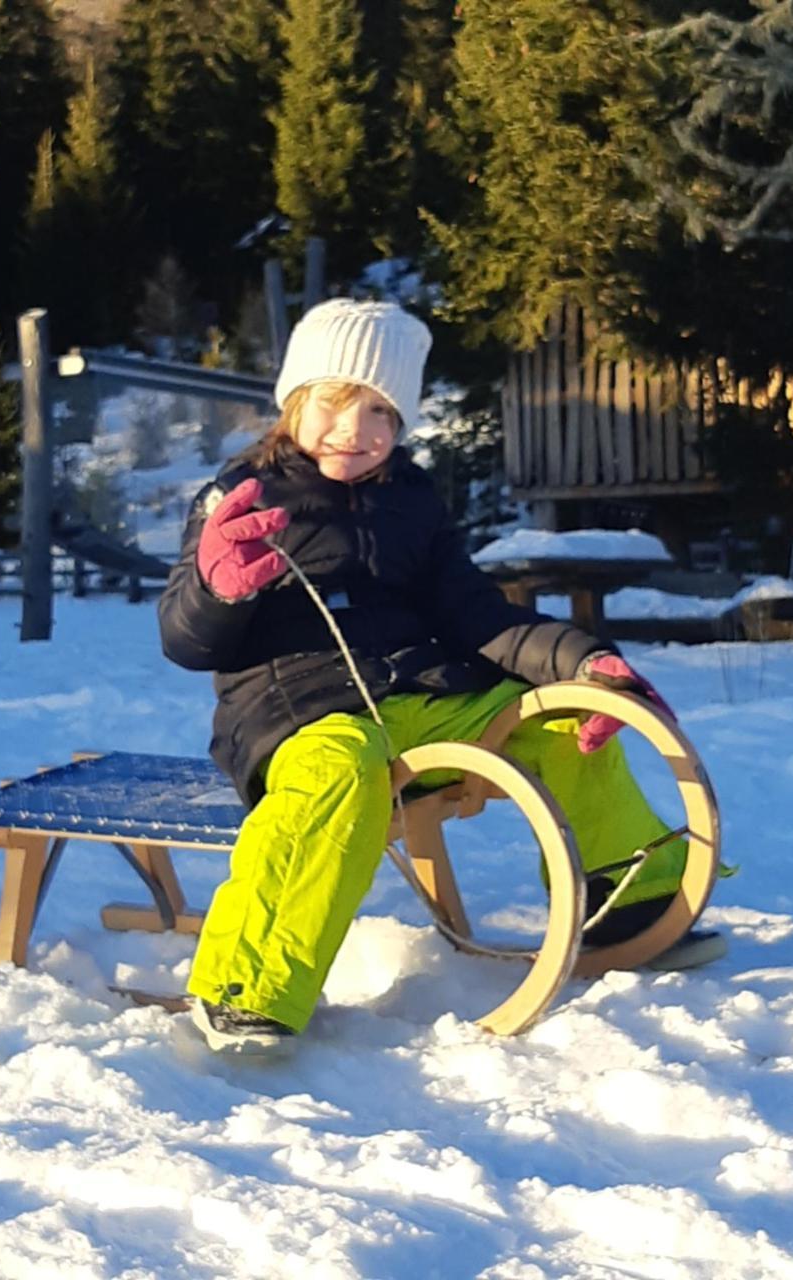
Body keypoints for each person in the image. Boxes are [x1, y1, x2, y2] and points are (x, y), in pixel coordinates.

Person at [159, 298, 708, 1056]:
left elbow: (478, 616)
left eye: (382, 410)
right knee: (338, 773)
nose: (357, 429)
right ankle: (244, 986)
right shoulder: (240, 497)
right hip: (299, 709)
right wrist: (217, 588)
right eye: (335, 403)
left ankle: (626, 905)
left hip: (423, 696)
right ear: (294, 401)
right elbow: (186, 643)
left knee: (555, 716)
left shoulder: (411, 502)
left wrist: (582, 661)